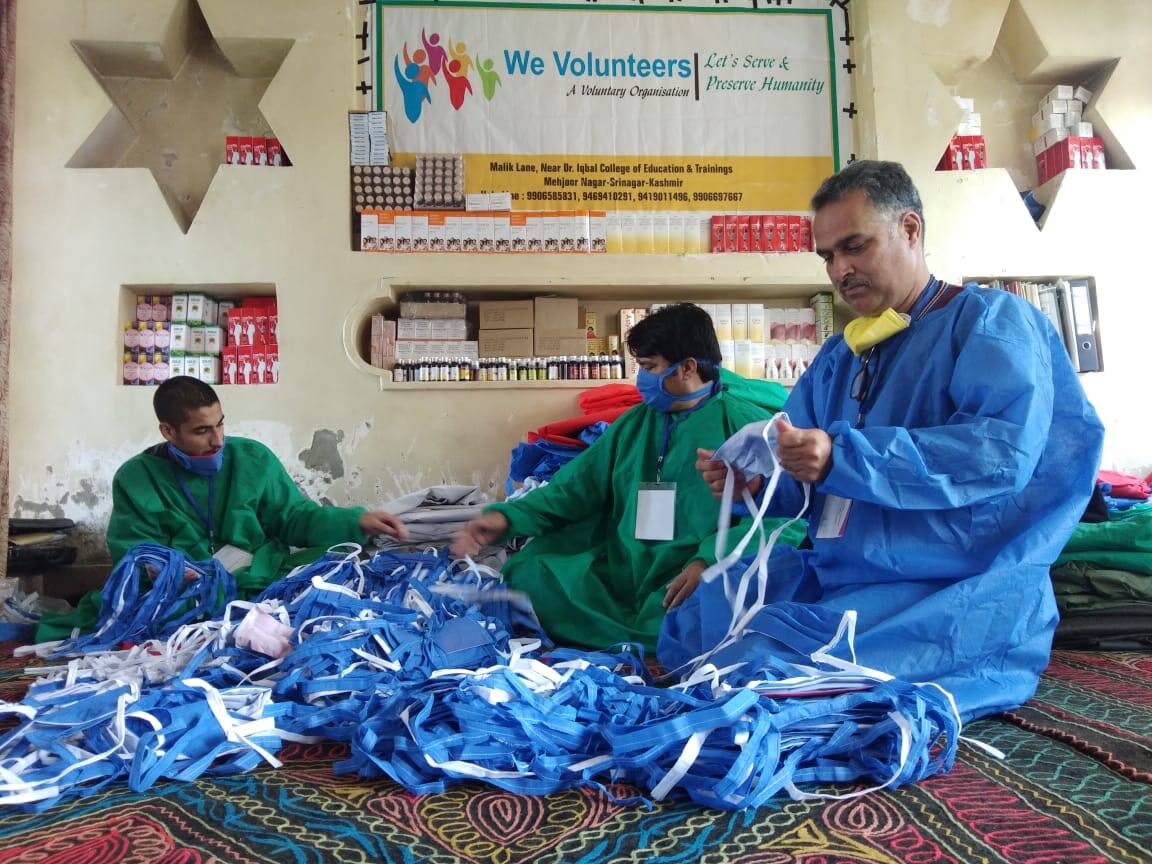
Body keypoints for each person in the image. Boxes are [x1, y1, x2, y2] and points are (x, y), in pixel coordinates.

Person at [682, 160, 1104, 720]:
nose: (839, 270)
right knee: (699, 615)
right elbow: (806, 473)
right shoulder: (839, 355)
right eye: (828, 256)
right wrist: (757, 485)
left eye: (854, 246)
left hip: (953, 579)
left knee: (763, 669)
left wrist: (842, 455)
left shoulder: (991, 322)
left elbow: (1000, 455)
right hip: (848, 572)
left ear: (910, 229)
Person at [451, 304, 800, 652]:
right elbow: (573, 489)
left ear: (688, 368)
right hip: (622, 566)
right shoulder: (634, 424)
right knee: (529, 574)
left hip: (691, 573)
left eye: (650, 368)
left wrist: (709, 561)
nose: (641, 380)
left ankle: (655, 644)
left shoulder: (750, 429)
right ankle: (646, 645)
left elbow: (786, 518)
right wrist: (505, 517)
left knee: (710, 607)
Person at [36, 376, 407, 642]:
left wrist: (356, 519)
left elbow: (295, 517)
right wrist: (172, 572)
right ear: (168, 431)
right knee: (134, 615)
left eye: (221, 424)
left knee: (336, 565)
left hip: (259, 571)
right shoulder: (136, 477)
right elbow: (135, 553)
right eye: (201, 431)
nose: (217, 440)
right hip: (185, 589)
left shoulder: (252, 458)